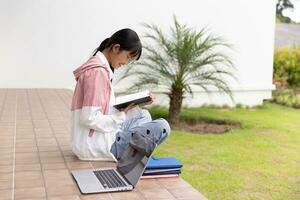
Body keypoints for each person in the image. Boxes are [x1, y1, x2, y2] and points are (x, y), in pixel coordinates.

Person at [70, 28, 171, 162]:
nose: (126, 63)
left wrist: (136, 104)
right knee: (163, 127)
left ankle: (133, 153)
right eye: (128, 57)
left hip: (95, 139)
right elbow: (89, 118)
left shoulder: (100, 70)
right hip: (97, 146)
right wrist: (122, 115)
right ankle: (132, 156)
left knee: (143, 114)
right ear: (116, 48)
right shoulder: (97, 73)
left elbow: (102, 111)